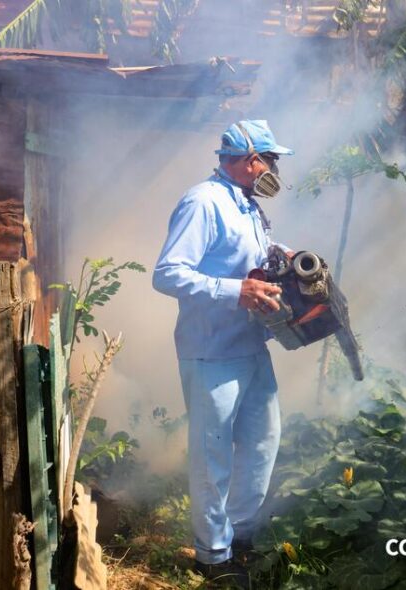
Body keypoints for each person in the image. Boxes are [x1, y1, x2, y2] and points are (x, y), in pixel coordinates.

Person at [152, 120, 294, 584]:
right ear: (249, 159)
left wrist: (280, 257)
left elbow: (247, 258)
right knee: (213, 460)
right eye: (270, 160)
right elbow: (168, 273)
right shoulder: (203, 202)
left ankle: (242, 537)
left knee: (262, 443)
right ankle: (213, 559)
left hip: (251, 344)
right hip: (212, 351)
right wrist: (236, 290)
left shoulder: (248, 206)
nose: (273, 169)